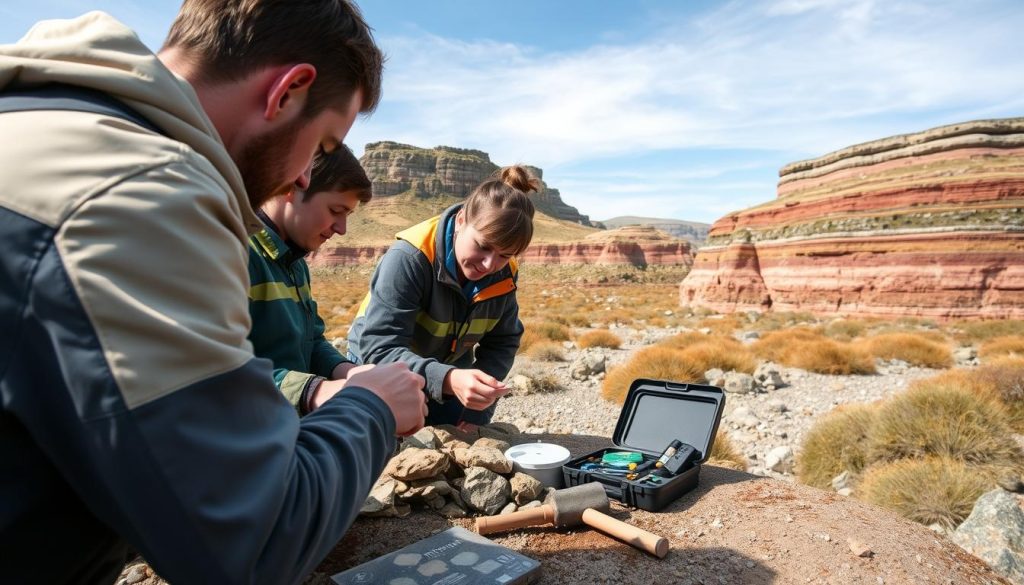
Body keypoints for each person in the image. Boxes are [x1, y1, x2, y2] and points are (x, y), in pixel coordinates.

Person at [0, 2, 428, 584]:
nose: (305, 177)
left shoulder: (40, 121)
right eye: (323, 146)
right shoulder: (142, 195)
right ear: (287, 91)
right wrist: (372, 407)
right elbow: (251, 543)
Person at [347, 165, 540, 428]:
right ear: (461, 221)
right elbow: (380, 348)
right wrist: (449, 379)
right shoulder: (408, 258)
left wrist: (474, 415)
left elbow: (502, 341)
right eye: (483, 246)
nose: (488, 264)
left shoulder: (504, 274)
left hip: (447, 370)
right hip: (378, 367)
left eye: (505, 255)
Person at [248, 145, 372, 413]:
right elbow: (214, 372)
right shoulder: (237, 252)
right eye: (335, 210)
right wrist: (315, 390)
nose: (342, 229)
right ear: (292, 187)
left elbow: (312, 341)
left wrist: (350, 373)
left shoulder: (295, 263)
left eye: (347, 215)